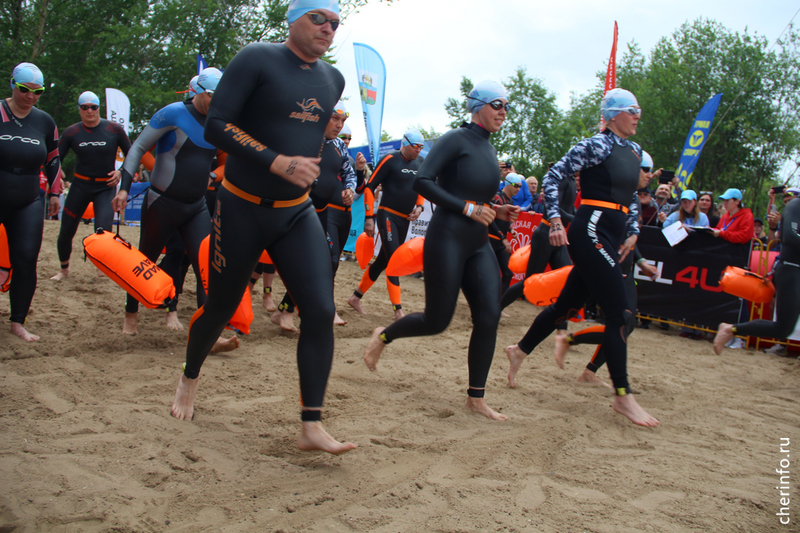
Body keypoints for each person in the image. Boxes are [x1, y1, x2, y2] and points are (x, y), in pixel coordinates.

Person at [171, 0, 356, 455]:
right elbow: (217, 126)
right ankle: (189, 379)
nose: (328, 28)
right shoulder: (257, 58)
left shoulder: (333, 79)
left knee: (318, 311)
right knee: (219, 306)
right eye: (319, 18)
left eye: (335, 22)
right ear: (294, 18)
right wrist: (277, 161)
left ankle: (311, 425)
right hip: (240, 207)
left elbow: (306, 136)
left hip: (295, 212)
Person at [363, 80, 520, 421]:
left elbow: (478, 199)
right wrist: (467, 209)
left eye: (506, 105)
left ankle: (476, 398)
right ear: (477, 106)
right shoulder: (455, 139)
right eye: (497, 104)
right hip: (447, 238)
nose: (503, 111)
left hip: (477, 243)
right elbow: (423, 181)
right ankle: (384, 335)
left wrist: (497, 213)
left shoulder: (489, 148)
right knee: (437, 321)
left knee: (489, 316)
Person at [505, 88, 659, 427]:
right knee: (621, 314)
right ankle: (623, 396)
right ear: (614, 113)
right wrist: (556, 219)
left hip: (613, 234)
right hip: (589, 231)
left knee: (563, 307)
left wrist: (633, 230)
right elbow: (554, 175)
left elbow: (631, 197)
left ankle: (519, 351)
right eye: (633, 110)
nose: (638, 116)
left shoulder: (634, 151)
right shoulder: (596, 144)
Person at [112, 67, 226, 335]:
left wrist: (212, 176)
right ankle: (131, 314)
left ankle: (207, 331)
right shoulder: (174, 112)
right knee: (146, 260)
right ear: (198, 91)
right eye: (213, 95)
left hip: (196, 206)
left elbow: (229, 159)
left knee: (206, 267)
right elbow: (138, 147)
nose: (218, 101)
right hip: (162, 203)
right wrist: (124, 189)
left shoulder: (219, 119)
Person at [270, 101, 359, 329]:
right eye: (335, 119)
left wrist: (349, 188)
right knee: (309, 261)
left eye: (343, 122)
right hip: (300, 210)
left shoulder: (340, 145)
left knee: (328, 261)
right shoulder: (306, 138)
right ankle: (286, 309)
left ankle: (285, 309)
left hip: (322, 211)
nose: (340, 126)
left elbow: (347, 172)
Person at [0, 62, 62, 342]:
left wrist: (55, 192)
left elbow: (53, 158)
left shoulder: (44, 121)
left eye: (37, 92)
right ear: (13, 85)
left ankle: (17, 322)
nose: (30, 96)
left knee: (26, 259)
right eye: (25, 90)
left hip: (26, 199)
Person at [50, 91, 131, 281]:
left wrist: (120, 172)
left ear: (98, 108)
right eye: (84, 107)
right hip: (80, 186)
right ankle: (64, 270)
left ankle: (102, 269)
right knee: (66, 231)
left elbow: (133, 155)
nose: (89, 111)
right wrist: (58, 177)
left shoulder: (114, 129)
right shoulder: (71, 132)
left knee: (103, 231)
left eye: (93, 107)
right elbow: (55, 160)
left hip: (105, 187)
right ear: (79, 109)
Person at [347, 129, 426, 321]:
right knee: (395, 260)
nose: (418, 151)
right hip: (387, 215)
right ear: (404, 143)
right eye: (415, 146)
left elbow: (421, 187)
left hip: (405, 218)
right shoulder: (390, 158)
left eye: (421, 147)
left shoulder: (421, 162)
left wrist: (420, 207)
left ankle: (355, 297)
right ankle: (398, 310)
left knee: (383, 260)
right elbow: (370, 186)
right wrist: (369, 217)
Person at [714, 194, 800, 354]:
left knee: (785, 328)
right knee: (783, 328)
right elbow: (790, 236)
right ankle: (730, 329)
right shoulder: (796, 205)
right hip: (792, 270)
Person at [490, 172, 522, 294]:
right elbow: (490, 221)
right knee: (490, 274)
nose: (518, 189)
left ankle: (499, 305)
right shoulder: (497, 197)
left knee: (508, 273)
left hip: (500, 242)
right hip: (491, 240)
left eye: (520, 186)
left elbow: (504, 221)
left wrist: (510, 230)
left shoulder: (510, 202)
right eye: (516, 185)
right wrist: (503, 237)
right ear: (507, 184)